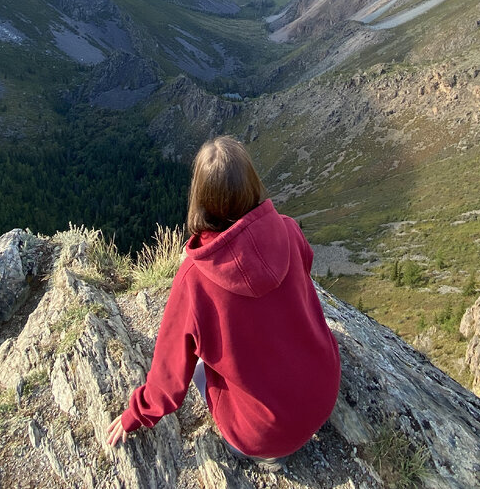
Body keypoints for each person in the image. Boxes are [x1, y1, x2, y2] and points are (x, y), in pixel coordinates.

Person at [106, 135, 340, 467]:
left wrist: (136, 414)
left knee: (202, 369)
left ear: (200, 198)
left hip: (265, 433)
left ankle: (269, 454)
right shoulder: (288, 229)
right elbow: (304, 268)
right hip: (324, 391)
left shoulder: (194, 280)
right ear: (252, 184)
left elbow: (170, 379)